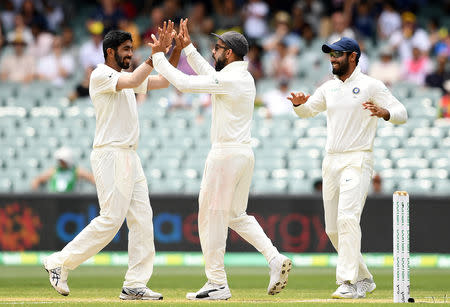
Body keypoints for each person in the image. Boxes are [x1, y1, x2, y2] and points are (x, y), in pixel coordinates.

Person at [150, 19, 291, 300]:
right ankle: (274, 259)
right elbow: (208, 76)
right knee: (235, 215)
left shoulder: (230, 79)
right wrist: (188, 48)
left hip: (225, 155)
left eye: (217, 48)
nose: (213, 52)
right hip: (242, 154)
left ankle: (216, 282)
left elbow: (186, 84)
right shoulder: (241, 76)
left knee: (210, 217)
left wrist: (157, 57)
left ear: (230, 53)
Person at [43, 24, 182, 300]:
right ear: (110, 52)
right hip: (111, 153)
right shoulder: (101, 74)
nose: (130, 54)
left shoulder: (125, 75)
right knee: (110, 220)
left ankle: (135, 285)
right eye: (126, 49)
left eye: (132, 49)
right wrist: (155, 55)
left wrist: (173, 50)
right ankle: (60, 261)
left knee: (143, 220)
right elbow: (131, 82)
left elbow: (164, 81)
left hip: (130, 155)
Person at [288, 37, 407, 299]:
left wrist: (384, 112)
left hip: (358, 158)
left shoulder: (370, 85)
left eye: (337, 54)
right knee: (332, 228)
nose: (332, 58)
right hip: (331, 160)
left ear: (353, 56)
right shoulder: (328, 88)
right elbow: (308, 111)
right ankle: (364, 278)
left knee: (347, 219)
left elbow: (402, 112)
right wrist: (298, 104)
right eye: (330, 54)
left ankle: (348, 283)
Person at [31, 147, 95, 192]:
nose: (61, 163)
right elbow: (38, 179)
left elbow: (91, 177)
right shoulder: (54, 170)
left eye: (62, 161)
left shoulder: (76, 171)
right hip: (54, 200)